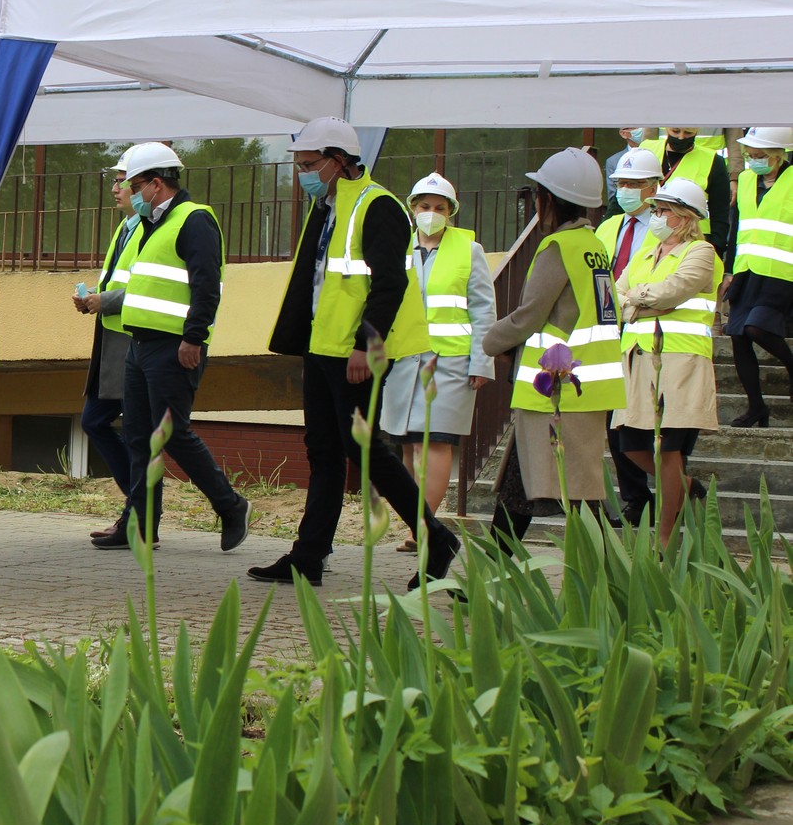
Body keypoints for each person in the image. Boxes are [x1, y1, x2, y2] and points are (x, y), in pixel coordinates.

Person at [250, 118, 461, 589]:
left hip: (355, 352)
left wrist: (366, 346)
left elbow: (390, 284)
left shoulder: (378, 205)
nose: (303, 174)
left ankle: (437, 538)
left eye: (309, 165)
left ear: (339, 161)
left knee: (363, 450)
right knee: (324, 451)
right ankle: (308, 557)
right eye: (300, 165)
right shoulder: (327, 206)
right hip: (323, 347)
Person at [88, 141, 250, 553]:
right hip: (139, 343)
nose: (129, 192)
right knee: (139, 436)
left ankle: (230, 506)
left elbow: (206, 285)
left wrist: (194, 337)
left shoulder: (193, 220)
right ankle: (140, 525)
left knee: (173, 433)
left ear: (156, 184)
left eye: (134, 185)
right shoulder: (151, 223)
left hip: (175, 346)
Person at [482, 148, 625, 542]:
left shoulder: (557, 247)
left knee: (577, 494)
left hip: (555, 391)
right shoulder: (592, 245)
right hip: (582, 387)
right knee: (524, 488)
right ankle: (493, 567)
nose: (534, 203)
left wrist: (487, 341)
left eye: (536, 195)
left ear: (549, 198)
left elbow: (529, 316)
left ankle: (606, 571)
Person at [379, 172, 495, 553]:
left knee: (435, 443)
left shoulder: (468, 250)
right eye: (425, 206)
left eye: (440, 208)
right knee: (409, 446)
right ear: (413, 209)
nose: (432, 213)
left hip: (451, 362)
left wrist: (481, 362)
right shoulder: (397, 245)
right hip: (404, 359)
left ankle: (424, 529)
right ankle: (418, 523)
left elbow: (483, 310)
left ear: (451, 212)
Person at [612, 179, 721, 543]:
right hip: (637, 360)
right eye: (656, 210)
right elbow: (615, 296)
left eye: (663, 211)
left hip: (679, 361)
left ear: (684, 216)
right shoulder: (646, 252)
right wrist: (643, 302)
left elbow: (672, 291)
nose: (656, 216)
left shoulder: (701, 251)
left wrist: (635, 299)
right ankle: (687, 487)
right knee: (630, 445)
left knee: (667, 448)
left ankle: (665, 538)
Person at [76, 149, 141, 539]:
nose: (115, 188)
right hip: (112, 341)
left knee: (140, 435)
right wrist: (92, 299)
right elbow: (118, 281)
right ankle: (138, 508)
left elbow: (148, 289)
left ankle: (139, 516)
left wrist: (107, 300)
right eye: (115, 181)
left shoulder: (150, 228)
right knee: (93, 421)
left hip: (135, 342)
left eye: (121, 181)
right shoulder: (125, 228)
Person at [597, 148, 663, 522]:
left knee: (643, 420)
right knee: (615, 421)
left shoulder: (663, 228)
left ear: (654, 186)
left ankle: (669, 491)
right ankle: (636, 498)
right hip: (607, 330)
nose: (625, 190)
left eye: (634, 184)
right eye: (621, 183)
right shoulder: (608, 227)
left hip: (644, 332)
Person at [723, 126, 793, 428]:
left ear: (779, 155)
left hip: (781, 273)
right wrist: (729, 269)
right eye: (750, 154)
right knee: (738, 335)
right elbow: (737, 226)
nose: (753, 160)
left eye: (760, 155)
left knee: (756, 328)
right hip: (746, 269)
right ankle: (756, 407)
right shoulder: (747, 179)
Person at [655, 126, 731, 256]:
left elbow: (720, 214)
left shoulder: (712, 161)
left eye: (688, 133)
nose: (681, 137)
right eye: (676, 131)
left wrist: (715, 249)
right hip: (647, 240)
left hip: (692, 241)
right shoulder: (648, 149)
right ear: (666, 127)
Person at [604, 128, 654, 202]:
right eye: (636, 126)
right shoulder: (614, 161)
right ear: (623, 133)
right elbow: (613, 198)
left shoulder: (657, 153)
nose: (642, 128)